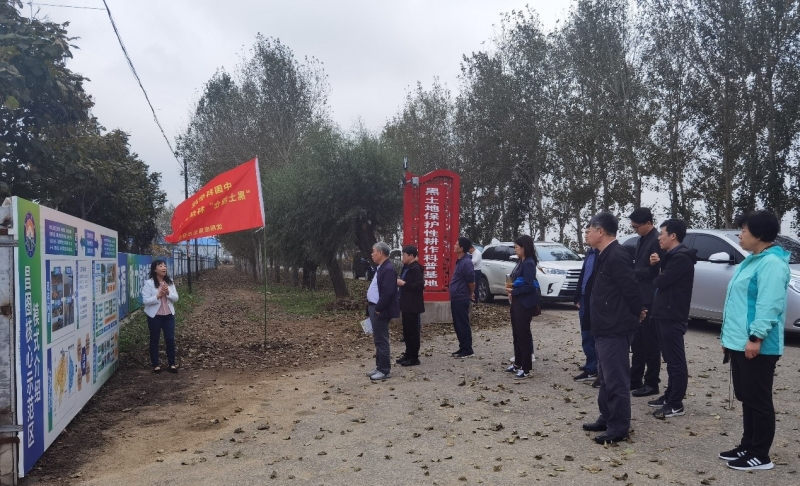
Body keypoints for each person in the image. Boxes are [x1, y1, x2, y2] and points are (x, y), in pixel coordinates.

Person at [718, 210, 790, 471]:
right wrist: (728, 338)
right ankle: (747, 445)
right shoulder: (752, 261)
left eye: (744, 230)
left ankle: (760, 455)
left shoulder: (772, 264)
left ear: (759, 235)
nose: (740, 235)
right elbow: (737, 304)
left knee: (758, 400)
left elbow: (769, 305)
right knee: (746, 397)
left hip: (758, 345)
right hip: (740, 342)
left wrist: (756, 337)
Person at [581, 212, 642, 444]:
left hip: (614, 327)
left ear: (601, 231)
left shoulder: (617, 255)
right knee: (605, 377)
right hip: (603, 326)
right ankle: (606, 417)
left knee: (616, 379)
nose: (586, 234)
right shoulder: (602, 254)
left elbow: (631, 288)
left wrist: (637, 312)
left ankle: (618, 427)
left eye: (589, 230)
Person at [647, 219, 697, 419]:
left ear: (673, 236)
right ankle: (669, 396)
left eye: (662, 233)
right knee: (669, 358)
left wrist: (658, 270)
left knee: (676, 361)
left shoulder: (681, 258)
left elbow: (661, 281)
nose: (659, 237)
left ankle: (676, 403)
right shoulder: (671, 256)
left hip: (672, 314)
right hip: (664, 313)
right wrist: (657, 266)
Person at [629, 208, 664, 398]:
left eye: (637, 226)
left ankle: (652, 382)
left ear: (648, 223)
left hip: (650, 297)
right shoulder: (641, 240)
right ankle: (635, 378)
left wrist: (631, 272)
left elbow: (653, 271)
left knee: (651, 343)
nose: (635, 230)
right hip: (640, 295)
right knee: (637, 342)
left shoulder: (656, 240)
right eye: (633, 227)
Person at [504, 235, 539, 379]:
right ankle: (517, 363)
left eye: (517, 247)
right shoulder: (520, 261)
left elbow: (529, 285)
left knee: (523, 334)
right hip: (517, 301)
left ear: (524, 248)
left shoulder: (529, 263)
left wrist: (514, 291)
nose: (515, 250)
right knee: (516, 333)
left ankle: (526, 367)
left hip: (525, 303)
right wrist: (511, 287)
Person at [365, 242, 400, 380]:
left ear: (380, 253)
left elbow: (387, 292)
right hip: (374, 307)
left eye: (373, 251)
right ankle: (379, 366)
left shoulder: (388, 269)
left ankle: (384, 370)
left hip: (379, 309)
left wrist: (379, 308)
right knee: (378, 339)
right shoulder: (381, 267)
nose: (372, 254)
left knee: (382, 340)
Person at [141, 259, 179, 373]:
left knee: (170, 339)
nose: (164, 268)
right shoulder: (149, 283)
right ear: (154, 269)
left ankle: (172, 364)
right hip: (155, 316)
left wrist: (168, 293)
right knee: (154, 339)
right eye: (160, 266)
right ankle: (156, 364)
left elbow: (176, 298)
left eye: (165, 266)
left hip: (168, 315)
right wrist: (158, 295)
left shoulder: (170, 282)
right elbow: (145, 301)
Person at [573, 228, 598, 384]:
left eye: (588, 232)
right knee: (586, 333)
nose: (586, 235)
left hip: (593, 299)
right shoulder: (589, 252)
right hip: (584, 297)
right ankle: (591, 363)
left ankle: (595, 368)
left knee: (593, 334)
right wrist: (577, 295)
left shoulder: (603, 254)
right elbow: (583, 274)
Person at [396, 245, 425, 366]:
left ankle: (414, 357)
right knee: (407, 332)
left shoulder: (416, 268)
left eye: (404, 255)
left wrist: (404, 284)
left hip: (413, 304)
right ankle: (408, 354)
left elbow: (419, 285)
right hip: (406, 303)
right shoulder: (406, 267)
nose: (402, 257)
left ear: (411, 256)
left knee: (413, 332)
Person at [449, 237, 476, 358]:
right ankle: (462, 347)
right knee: (458, 324)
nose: (454, 246)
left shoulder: (466, 262)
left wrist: (471, 293)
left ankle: (467, 350)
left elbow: (471, 280)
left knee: (462, 324)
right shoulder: (460, 261)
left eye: (456, 244)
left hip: (461, 297)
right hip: (456, 297)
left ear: (461, 248)